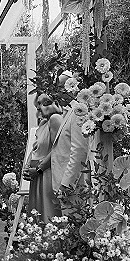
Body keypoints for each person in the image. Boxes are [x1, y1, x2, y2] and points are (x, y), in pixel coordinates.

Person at [23, 93, 63, 223]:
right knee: (37, 217)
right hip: (36, 177)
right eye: (38, 104)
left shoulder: (55, 119)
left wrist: (39, 169)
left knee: (48, 216)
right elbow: (36, 148)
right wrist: (27, 165)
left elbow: (57, 149)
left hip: (47, 174)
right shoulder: (43, 124)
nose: (39, 108)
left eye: (44, 103)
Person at [51, 74, 90, 205]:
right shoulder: (67, 112)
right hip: (63, 186)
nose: (58, 93)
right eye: (57, 88)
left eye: (61, 88)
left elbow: (79, 150)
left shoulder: (78, 112)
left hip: (74, 188)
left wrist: (67, 184)